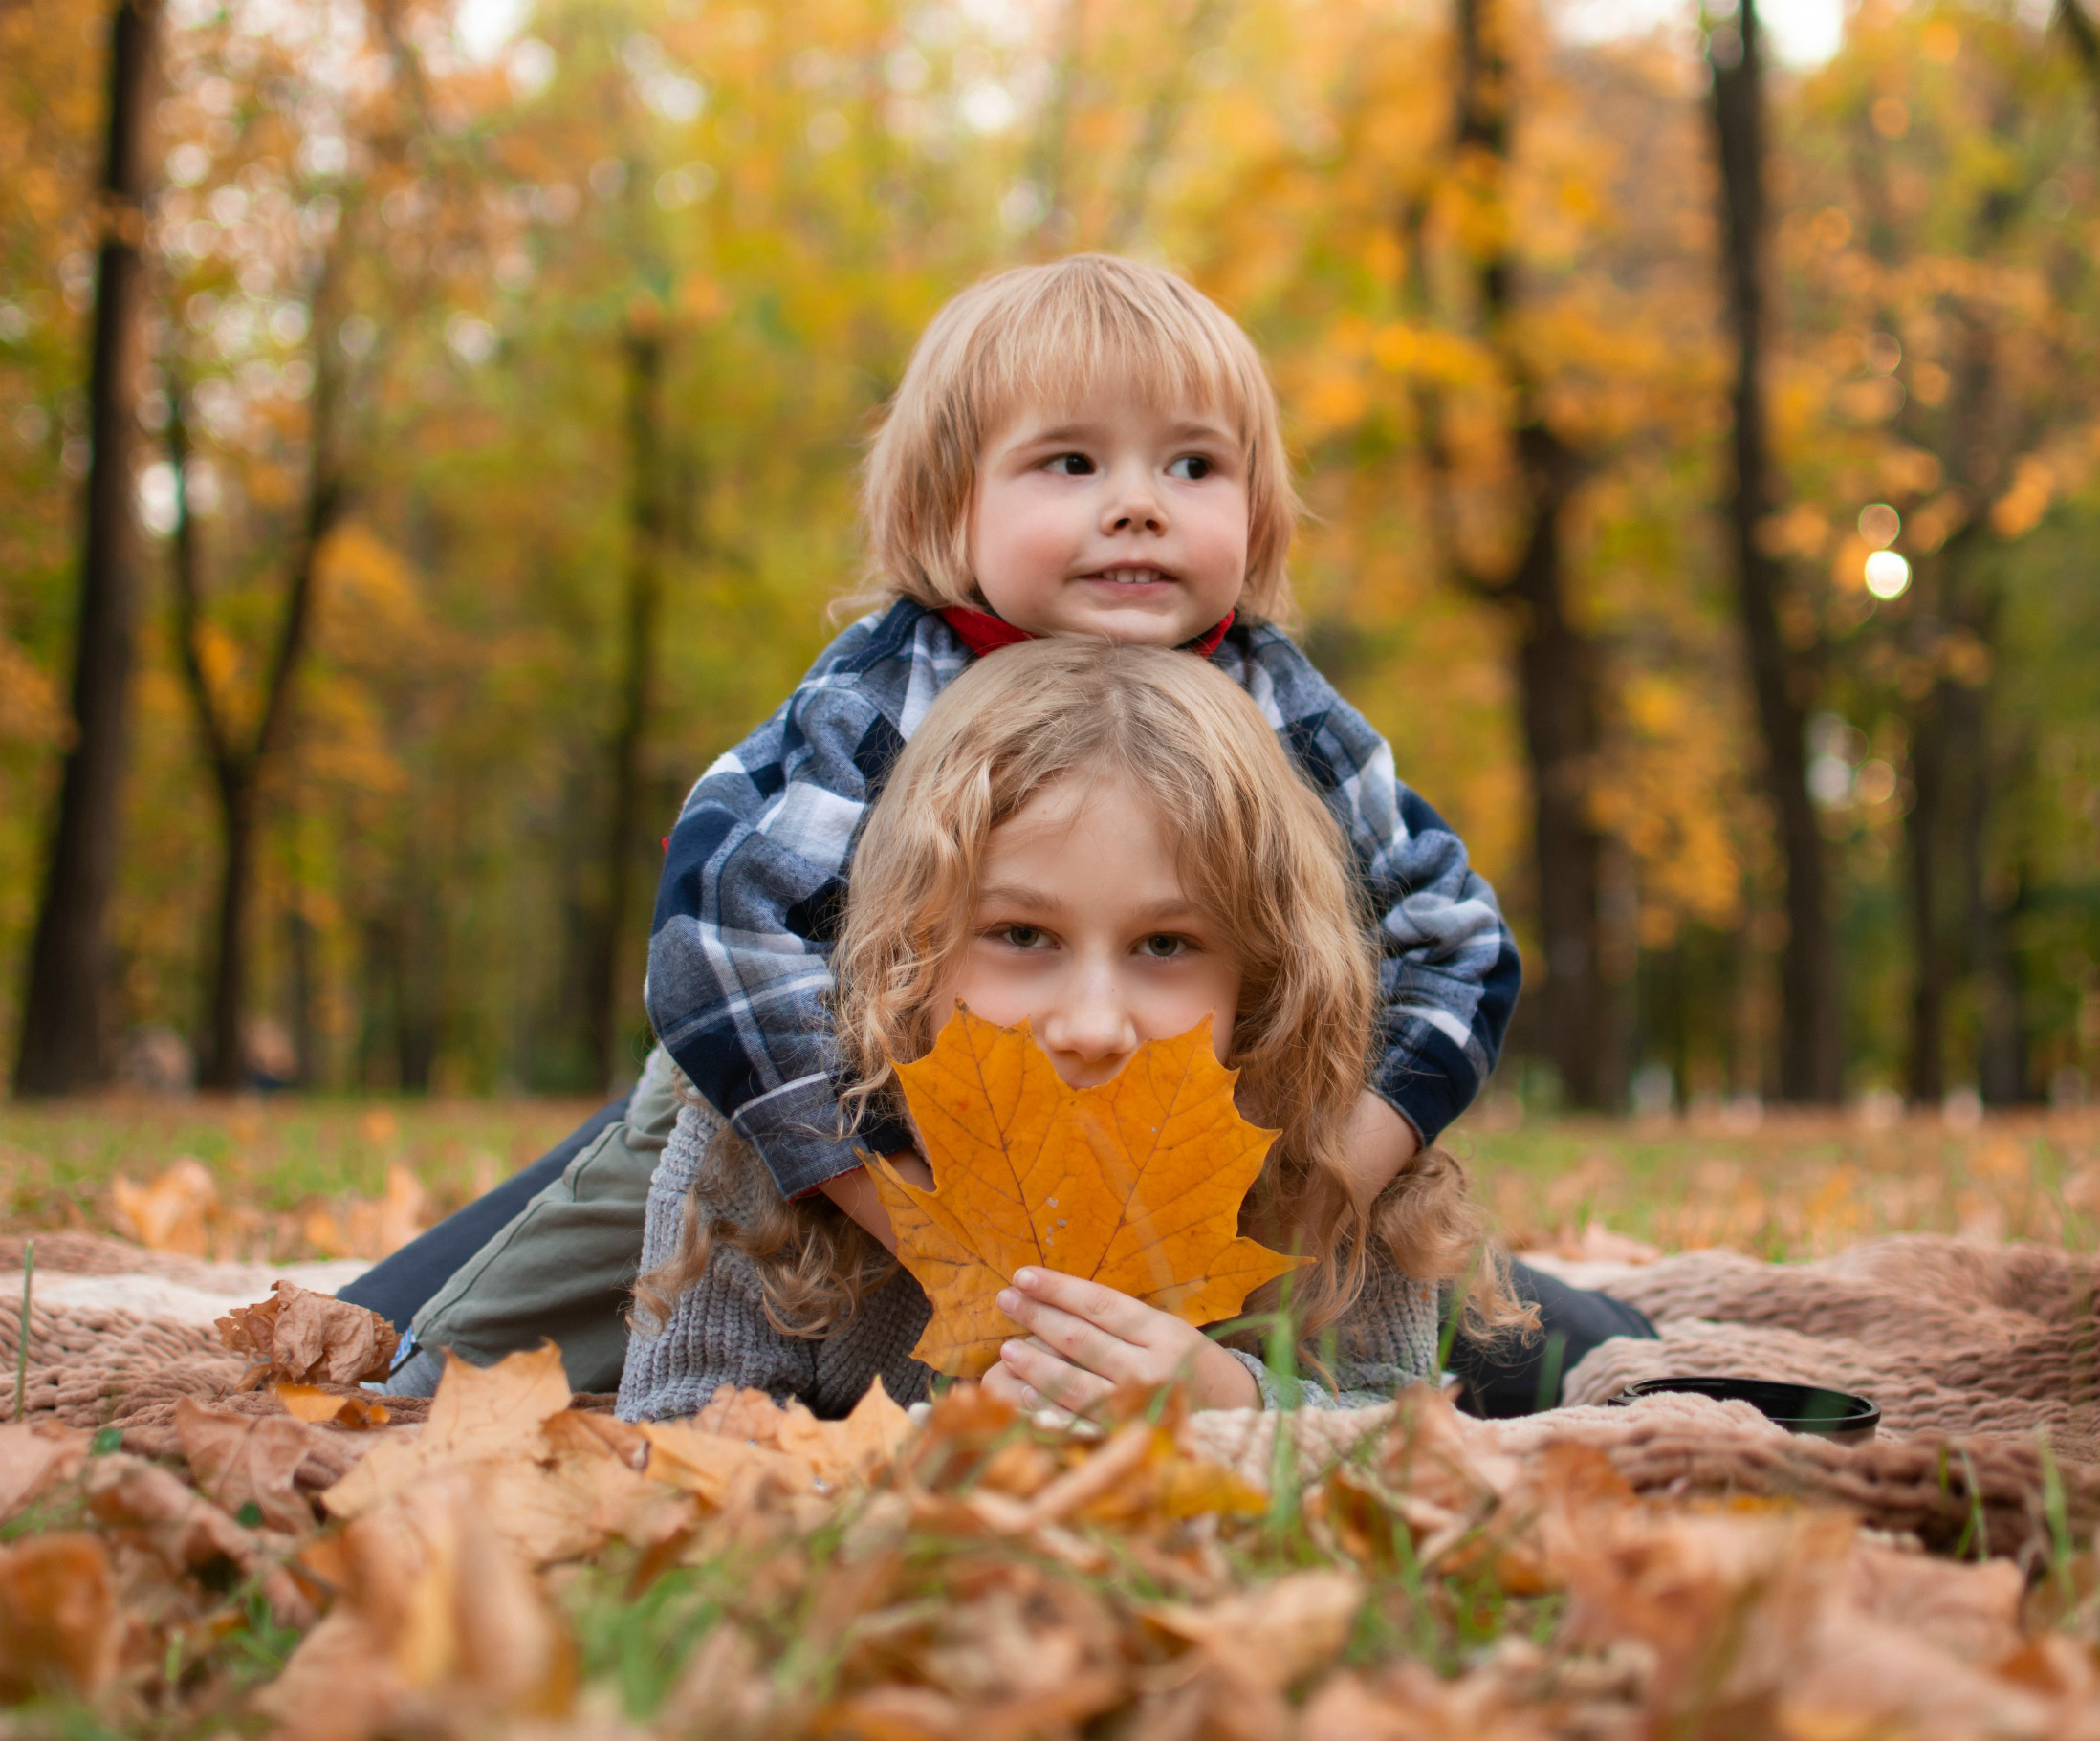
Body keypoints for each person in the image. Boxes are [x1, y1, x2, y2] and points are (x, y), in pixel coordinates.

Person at [360, 253, 1647, 1407]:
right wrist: (908, 1208)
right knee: (524, 1297)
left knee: (1415, 1274)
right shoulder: (884, 692)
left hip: (1178, 1077)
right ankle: (391, 1351)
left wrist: (1333, 1173)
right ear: (946, 510)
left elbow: (1456, 938)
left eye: (1192, 465)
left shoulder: (1277, 707)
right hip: (834, 1081)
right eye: (1071, 463)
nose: (1138, 503)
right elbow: (722, 946)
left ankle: (1599, 1340)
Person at [620, 639, 1521, 1420]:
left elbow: (1401, 1446)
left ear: (1264, 977)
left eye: (1165, 943)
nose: (1092, 1025)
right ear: (907, 949)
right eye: (1021, 935)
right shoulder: (766, 1160)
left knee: (1527, 1358)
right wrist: (927, 1464)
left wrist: (1240, 1405)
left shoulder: (1329, 1162)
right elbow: (678, 1435)